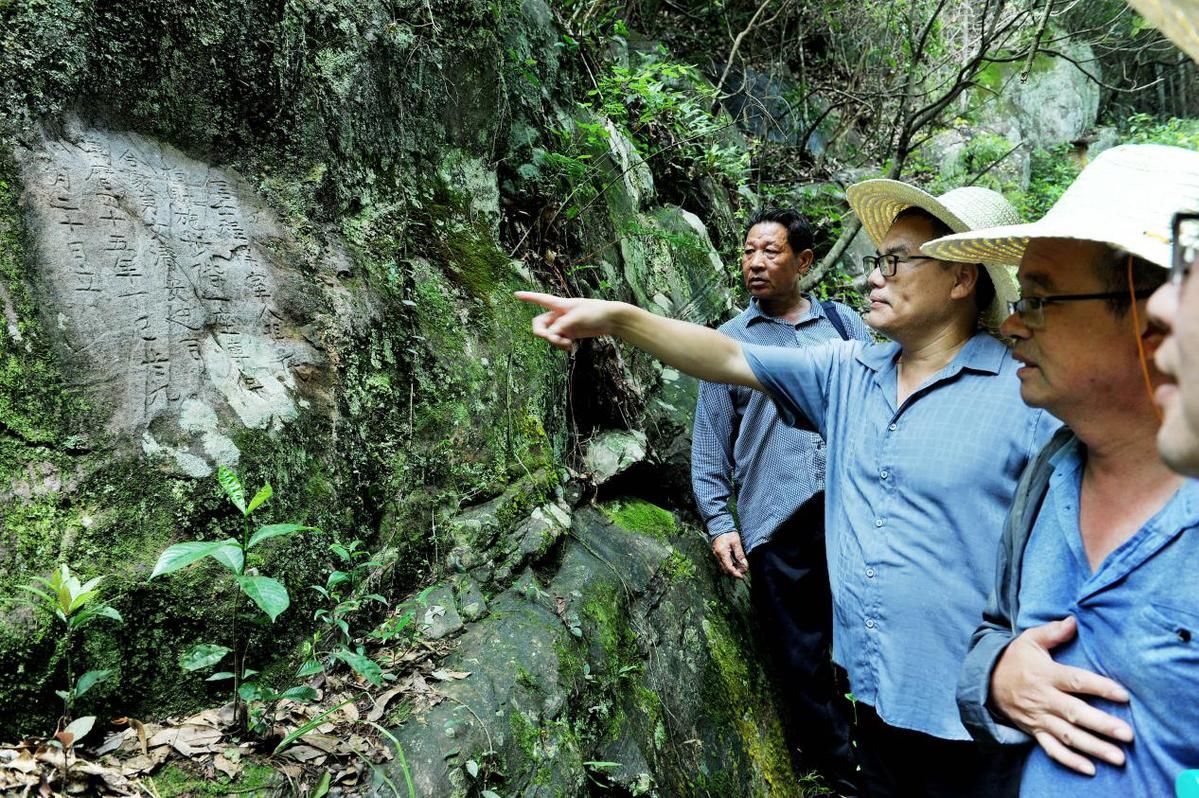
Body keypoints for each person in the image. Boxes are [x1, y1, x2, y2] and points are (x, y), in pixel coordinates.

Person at [519, 181, 1055, 797]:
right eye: (875, 261)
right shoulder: (848, 373)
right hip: (878, 703)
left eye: (895, 260)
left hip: (980, 712)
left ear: (962, 279)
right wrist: (618, 318)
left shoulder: (1027, 392)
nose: (873, 278)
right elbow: (724, 356)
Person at [926, 143, 1199, 797]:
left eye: (1041, 300)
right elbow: (993, 628)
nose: (1012, 325)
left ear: (1151, 315)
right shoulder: (1048, 470)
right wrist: (998, 676)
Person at [692, 207, 869, 794]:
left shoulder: (844, 326)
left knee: (863, 638)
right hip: (777, 518)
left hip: (854, 511)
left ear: (804, 262)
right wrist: (721, 520)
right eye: (747, 252)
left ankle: (878, 756)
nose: (755, 263)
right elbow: (709, 441)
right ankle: (845, 775)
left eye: (770, 251)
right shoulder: (728, 341)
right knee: (801, 653)